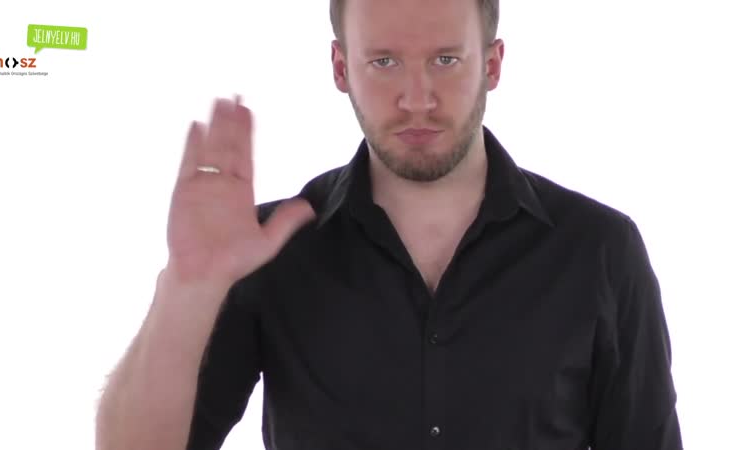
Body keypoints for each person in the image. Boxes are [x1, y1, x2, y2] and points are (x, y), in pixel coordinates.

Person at [95, 0, 683, 449]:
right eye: (384, 62)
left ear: (493, 63)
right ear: (341, 67)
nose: (417, 99)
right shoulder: (266, 250)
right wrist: (188, 287)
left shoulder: (600, 250)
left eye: (446, 60)